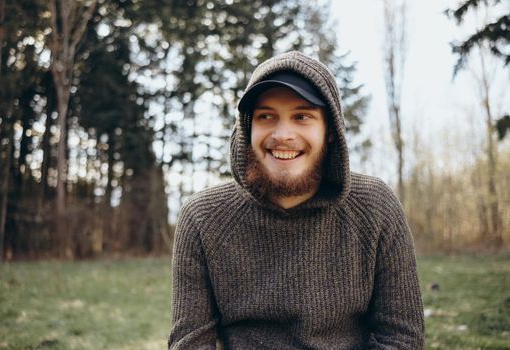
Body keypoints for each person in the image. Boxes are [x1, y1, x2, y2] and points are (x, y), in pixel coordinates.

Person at [168, 51, 424, 349]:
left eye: (302, 116)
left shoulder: (375, 206)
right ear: (247, 129)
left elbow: (401, 339)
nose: (283, 134)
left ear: (330, 132)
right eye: (266, 116)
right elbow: (189, 344)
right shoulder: (203, 217)